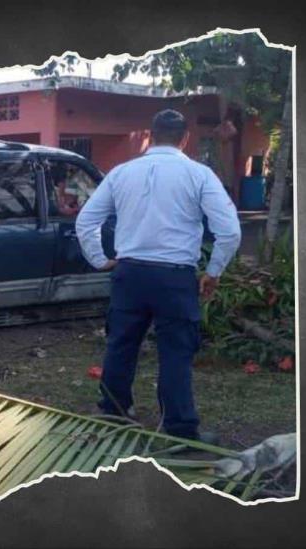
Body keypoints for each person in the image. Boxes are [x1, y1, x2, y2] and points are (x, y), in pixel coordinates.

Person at [75, 109, 241, 443]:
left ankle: (113, 411)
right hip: (175, 278)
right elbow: (230, 232)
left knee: (120, 343)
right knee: (176, 351)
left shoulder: (121, 173)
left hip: (130, 274)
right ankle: (177, 430)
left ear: (150, 135)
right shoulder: (199, 175)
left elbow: (85, 221)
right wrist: (213, 272)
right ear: (185, 138)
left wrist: (100, 259)